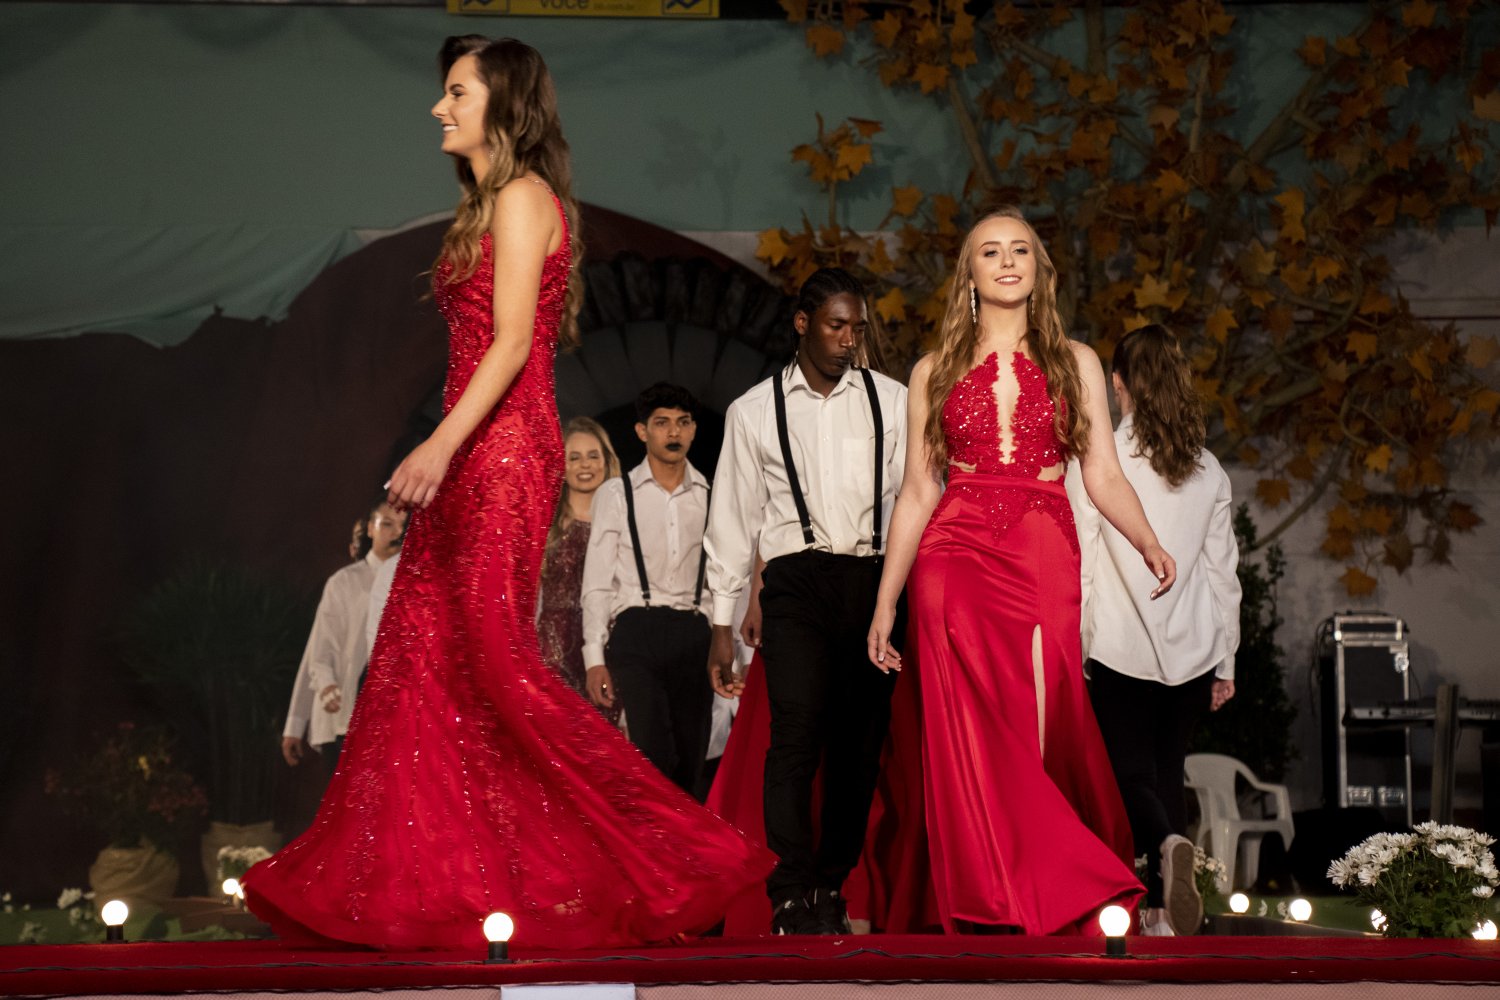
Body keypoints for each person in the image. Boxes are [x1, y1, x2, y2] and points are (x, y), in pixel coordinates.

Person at [243, 34, 772, 951]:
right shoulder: (486, 204)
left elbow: (515, 343)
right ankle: (439, 884)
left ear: (505, 103)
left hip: (500, 454)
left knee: (496, 664)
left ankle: (677, 851)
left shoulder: (525, 197)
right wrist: (445, 450)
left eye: (457, 92)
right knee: (421, 665)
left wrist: (439, 445)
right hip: (469, 453)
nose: (439, 108)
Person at [866, 206, 1175, 935]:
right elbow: (917, 492)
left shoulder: (1077, 361)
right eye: (990, 252)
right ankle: (993, 897)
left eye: (1020, 251)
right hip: (953, 551)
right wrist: (885, 603)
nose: (1007, 262)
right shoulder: (933, 370)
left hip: (1042, 546)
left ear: (1039, 268)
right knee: (966, 729)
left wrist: (1147, 540)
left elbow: (1102, 473)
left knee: (1037, 721)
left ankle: (1050, 887)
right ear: (969, 274)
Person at [705, 267, 907, 935]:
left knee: (859, 747)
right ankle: (789, 891)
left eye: (857, 328)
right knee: (795, 736)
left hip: (873, 583)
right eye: (836, 325)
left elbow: (916, 499)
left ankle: (830, 884)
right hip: (795, 584)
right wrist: (721, 623)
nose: (849, 339)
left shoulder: (894, 401)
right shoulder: (753, 410)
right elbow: (732, 519)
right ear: (802, 323)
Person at [1070, 324, 1241, 937]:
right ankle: (1164, 915)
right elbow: (1224, 574)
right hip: (1194, 649)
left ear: (1117, 385)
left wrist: (1075, 645)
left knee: (1129, 777)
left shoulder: (1097, 463)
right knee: (1169, 771)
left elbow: (1084, 562)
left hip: (1118, 646)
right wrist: (1227, 661)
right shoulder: (1208, 469)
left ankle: (1167, 847)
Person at [582, 383, 713, 797]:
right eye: (662, 423)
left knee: (691, 760)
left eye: (683, 422)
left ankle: (685, 839)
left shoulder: (710, 495)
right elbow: (597, 580)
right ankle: (654, 836)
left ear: (693, 430)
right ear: (642, 431)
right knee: (651, 755)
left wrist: (728, 645)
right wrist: (593, 657)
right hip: (636, 630)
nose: (674, 432)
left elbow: (725, 577)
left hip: (694, 631)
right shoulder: (616, 494)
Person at [280, 499, 407, 789]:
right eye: (387, 524)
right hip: (343, 714)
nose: (396, 533)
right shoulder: (345, 582)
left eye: (403, 526)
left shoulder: (413, 581)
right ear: (370, 529)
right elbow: (319, 650)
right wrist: (296, 723)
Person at [538, 416, 622, 724]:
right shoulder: (545, 524)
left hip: (607, 647)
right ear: (561, 466)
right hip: (552, 649)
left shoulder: (624, 522)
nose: (585, 464)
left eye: (592, 456)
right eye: (574, 457)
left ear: (606, 461)